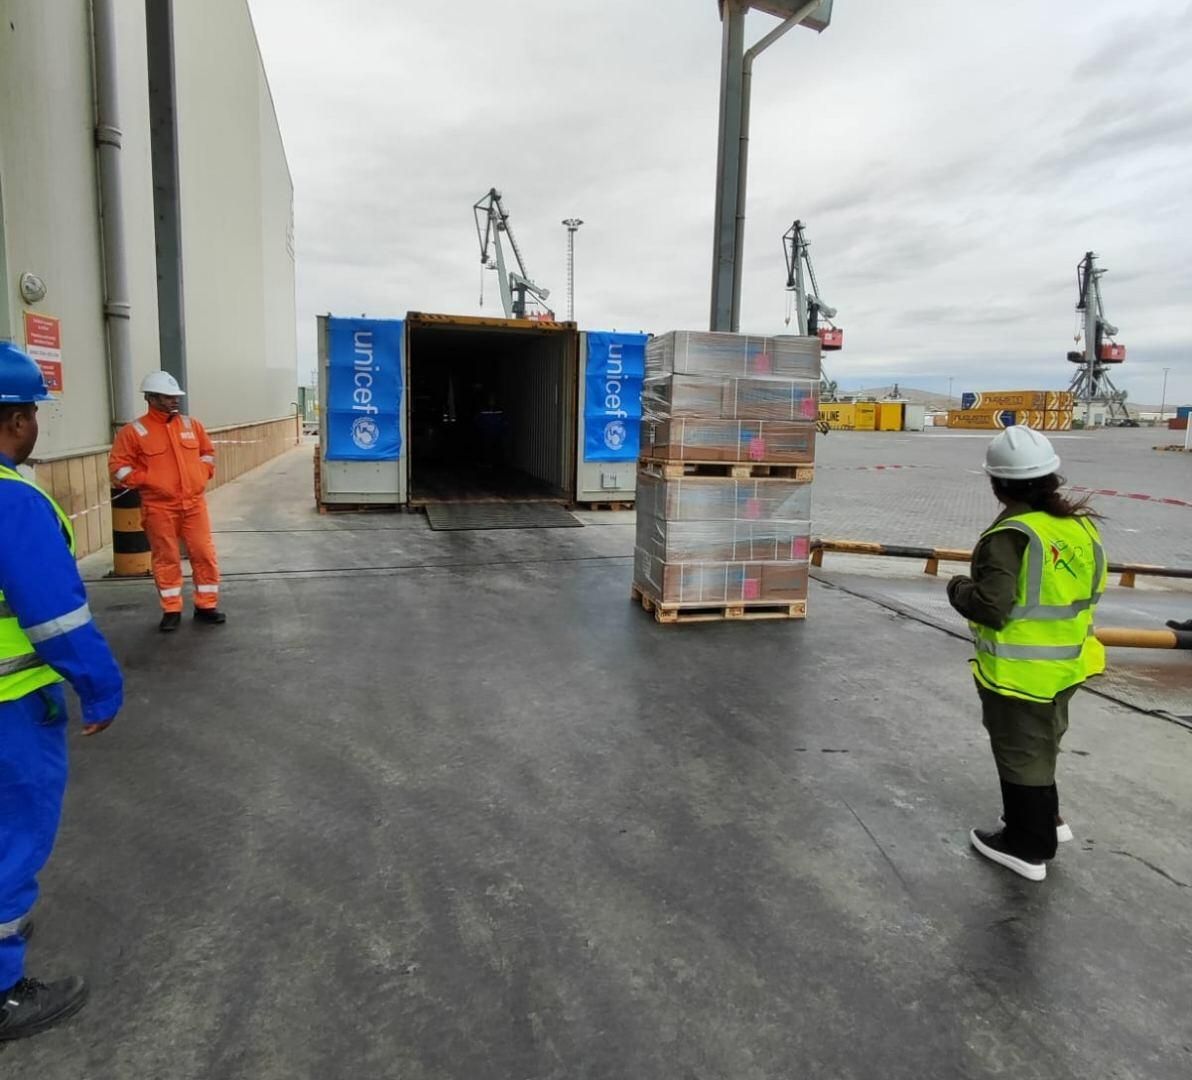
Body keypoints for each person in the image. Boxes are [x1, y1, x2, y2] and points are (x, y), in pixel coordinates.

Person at [0, 343, 124, 1040]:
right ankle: (1, 990)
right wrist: (99, 690)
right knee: (11, 838)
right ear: (17, 421)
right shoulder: (14, 502)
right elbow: (56, 619)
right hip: (10, 711)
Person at [947, 426, 1106, 883]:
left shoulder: (1013, 534)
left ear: (997, 484)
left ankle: (1028, 846)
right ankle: (1046, 818)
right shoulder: (1079, 527)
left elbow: (991, 608)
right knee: (1041, 745)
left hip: (1022, 671)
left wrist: (958, 588)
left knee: (1020, 752)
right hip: (1069, 663)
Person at [109, 372, 225, 631]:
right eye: (167, 397)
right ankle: (171, 609)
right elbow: (118, 468)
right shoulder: (134, 432)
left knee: (204, 553)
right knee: (166, 557)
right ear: (150, 398)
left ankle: (206, 605)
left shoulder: (191, 425)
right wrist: (148, 479)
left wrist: (202, 473)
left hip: (194, 504)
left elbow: (207, 453)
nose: (174, 401)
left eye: (175, 397)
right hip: (159, 506)